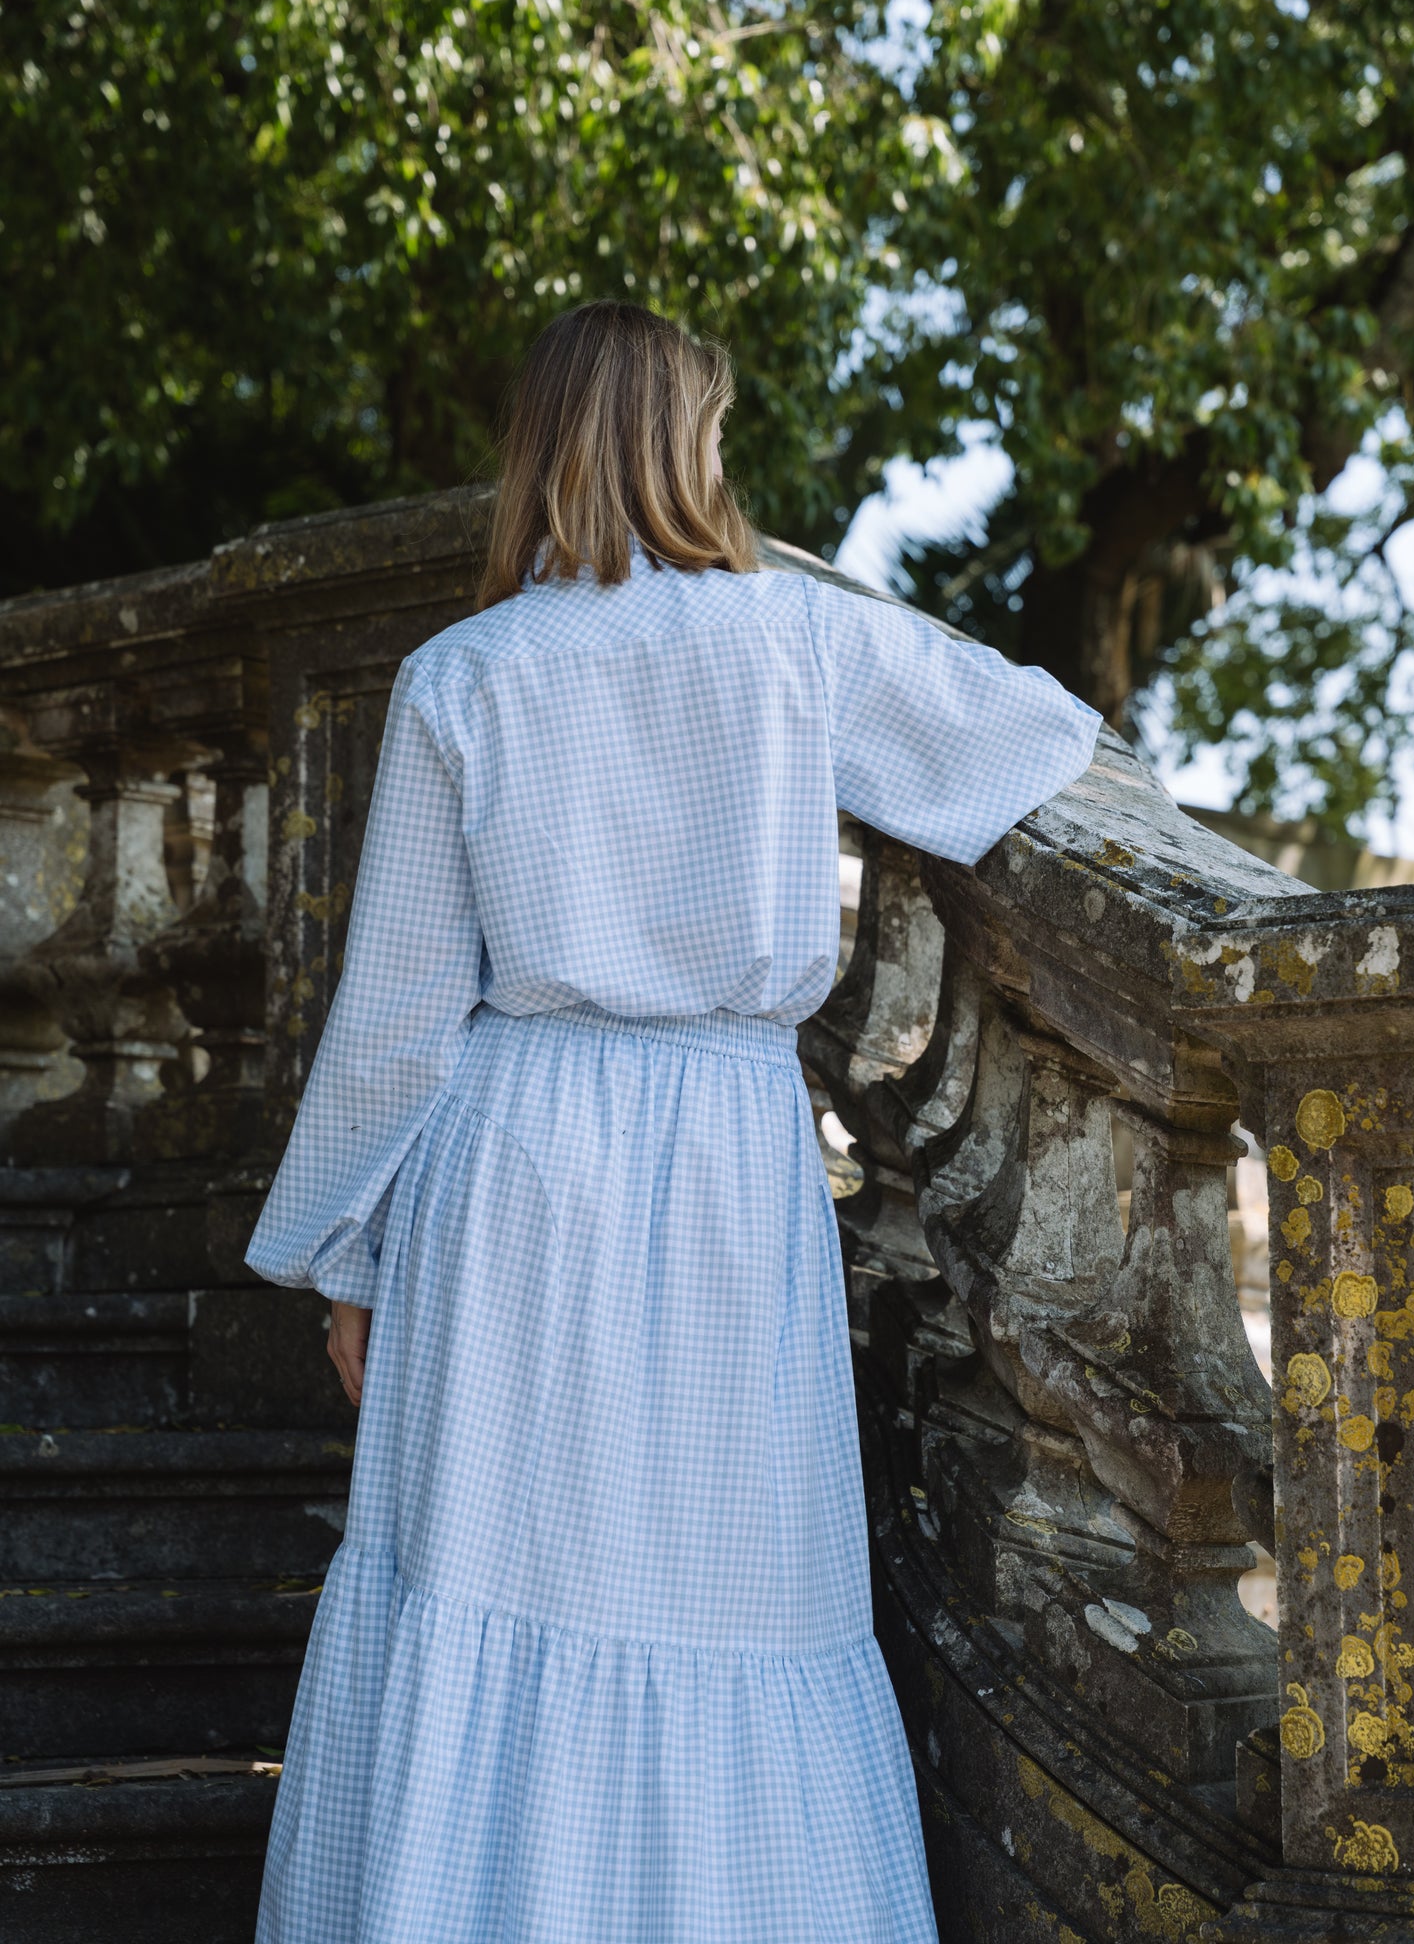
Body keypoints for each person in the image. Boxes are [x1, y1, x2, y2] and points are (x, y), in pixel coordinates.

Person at [245, 300, 1100, 1943]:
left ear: (540, 452)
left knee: (491, 1583)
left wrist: (349, 1258)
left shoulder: (460, 679)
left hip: (510, 1168)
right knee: (736, 1604)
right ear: (686, 442)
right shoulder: (798, 639)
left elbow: (400, 1018)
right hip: (724, 1167)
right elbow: (1031, 739)